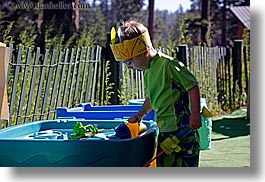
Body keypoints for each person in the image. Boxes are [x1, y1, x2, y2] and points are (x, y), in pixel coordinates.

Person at [109, 20, 202, 167]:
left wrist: (195, 113)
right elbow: (152, 97)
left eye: (130, 62)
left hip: (183, 129)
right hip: (165, 130)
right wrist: (140, 114)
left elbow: (192, 85)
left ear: (144, 51)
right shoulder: (148, 71)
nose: (130, 67)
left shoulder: (169, 64)